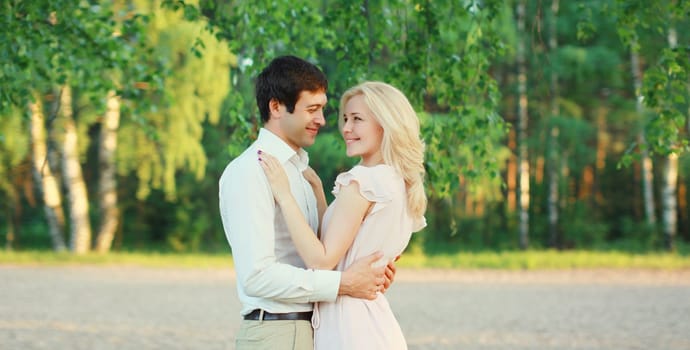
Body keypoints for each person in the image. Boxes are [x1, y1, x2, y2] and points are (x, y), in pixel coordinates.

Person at [218, 56, 394, 350]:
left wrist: (371, 271)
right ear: (276, 107)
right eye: (312, 109)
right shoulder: (250, 171)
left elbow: (321, 254)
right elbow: (257, 277)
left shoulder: (301, 173)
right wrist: (344, 283)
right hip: (276, 333)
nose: (322, 120)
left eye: (322, 109)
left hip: (314, 329)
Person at [258, 81, 427, 349]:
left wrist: (285, 195)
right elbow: (346, 242)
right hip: (374, 323)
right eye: (346, 119)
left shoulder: (362, 182)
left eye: (357, 119)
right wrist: (320, 195)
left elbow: (322, 260)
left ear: (385, 124)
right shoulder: (398, 183)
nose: (346, 128)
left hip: (350, 328)